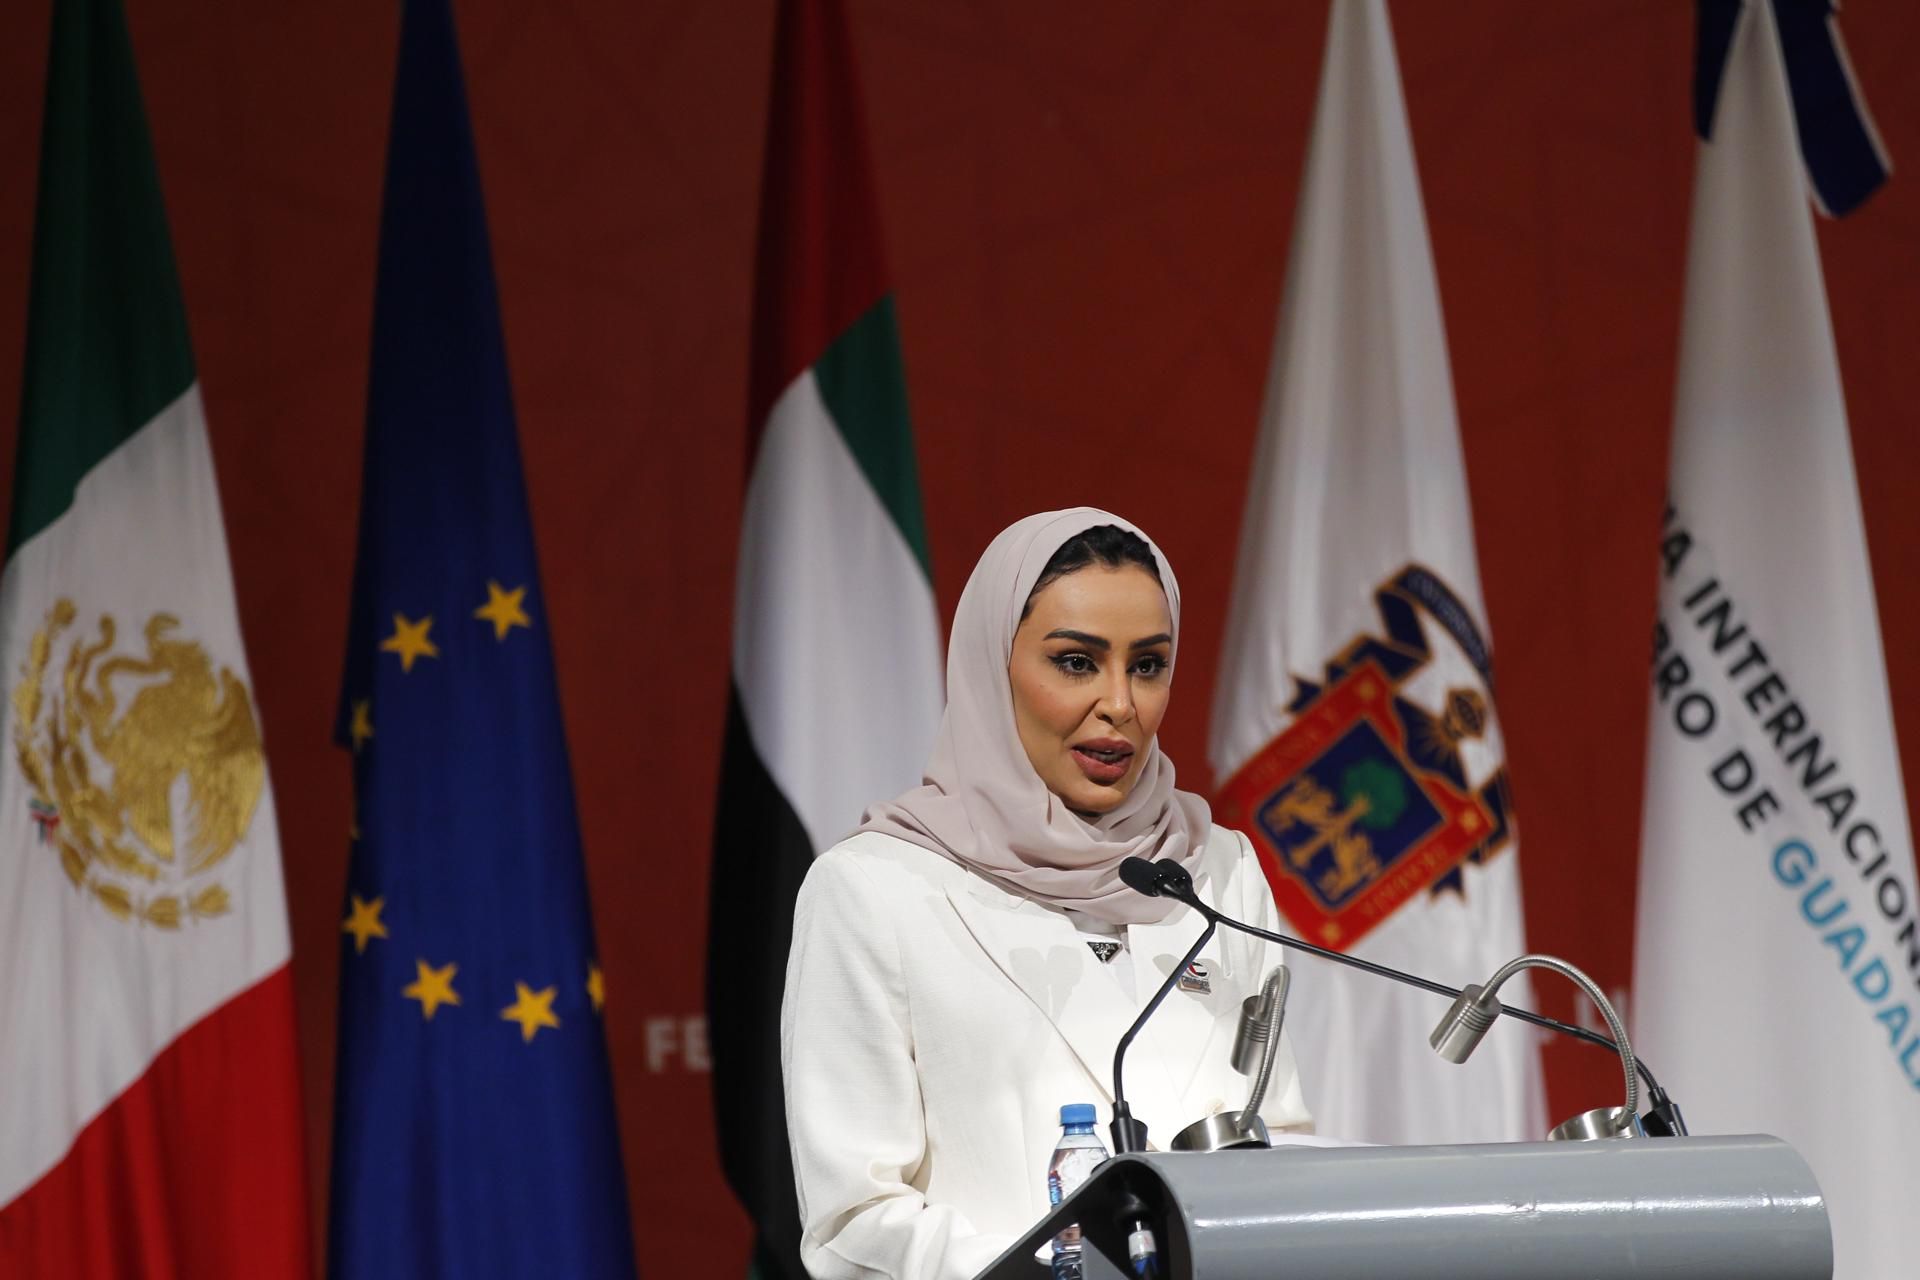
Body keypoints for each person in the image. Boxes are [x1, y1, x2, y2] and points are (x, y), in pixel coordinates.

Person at [781, 508, 1311, 1280]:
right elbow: (852, 1219)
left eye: (1149, 664)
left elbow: (1281, 1133)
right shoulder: (871, 890)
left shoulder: (1217, 872)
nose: (1121, 704)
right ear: (991, 670)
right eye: (1075, 663)